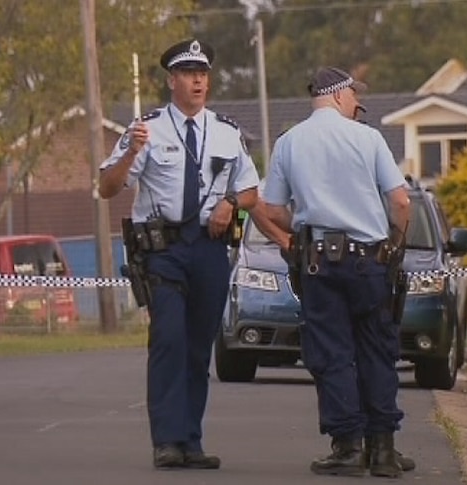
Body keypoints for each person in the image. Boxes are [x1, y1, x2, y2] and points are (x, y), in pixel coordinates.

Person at [98, 38, 260, 469]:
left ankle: (191, 439)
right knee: (169, 340)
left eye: (203, 74)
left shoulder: (226, 131)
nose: (198, 81)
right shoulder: (147, 128)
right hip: (164, 250)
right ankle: (166, 439)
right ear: (172, 80)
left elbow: (251, 190)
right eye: (189, 74)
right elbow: (107, 187)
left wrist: (230, 203)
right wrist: (131, 150)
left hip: (208, 249)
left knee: (198, 347)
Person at [261, 66, 411, 478]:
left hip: (319, 262)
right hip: (371, 262)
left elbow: (272, 209)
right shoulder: (368, 138)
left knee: (332, 355)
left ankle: (347, 447)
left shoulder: (289, 142)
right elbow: (400, 202)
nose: (355, 104)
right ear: (341, 94)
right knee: (377, 350)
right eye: (353, 96)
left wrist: (304, 227)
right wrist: (395, 246)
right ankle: (382, 449)